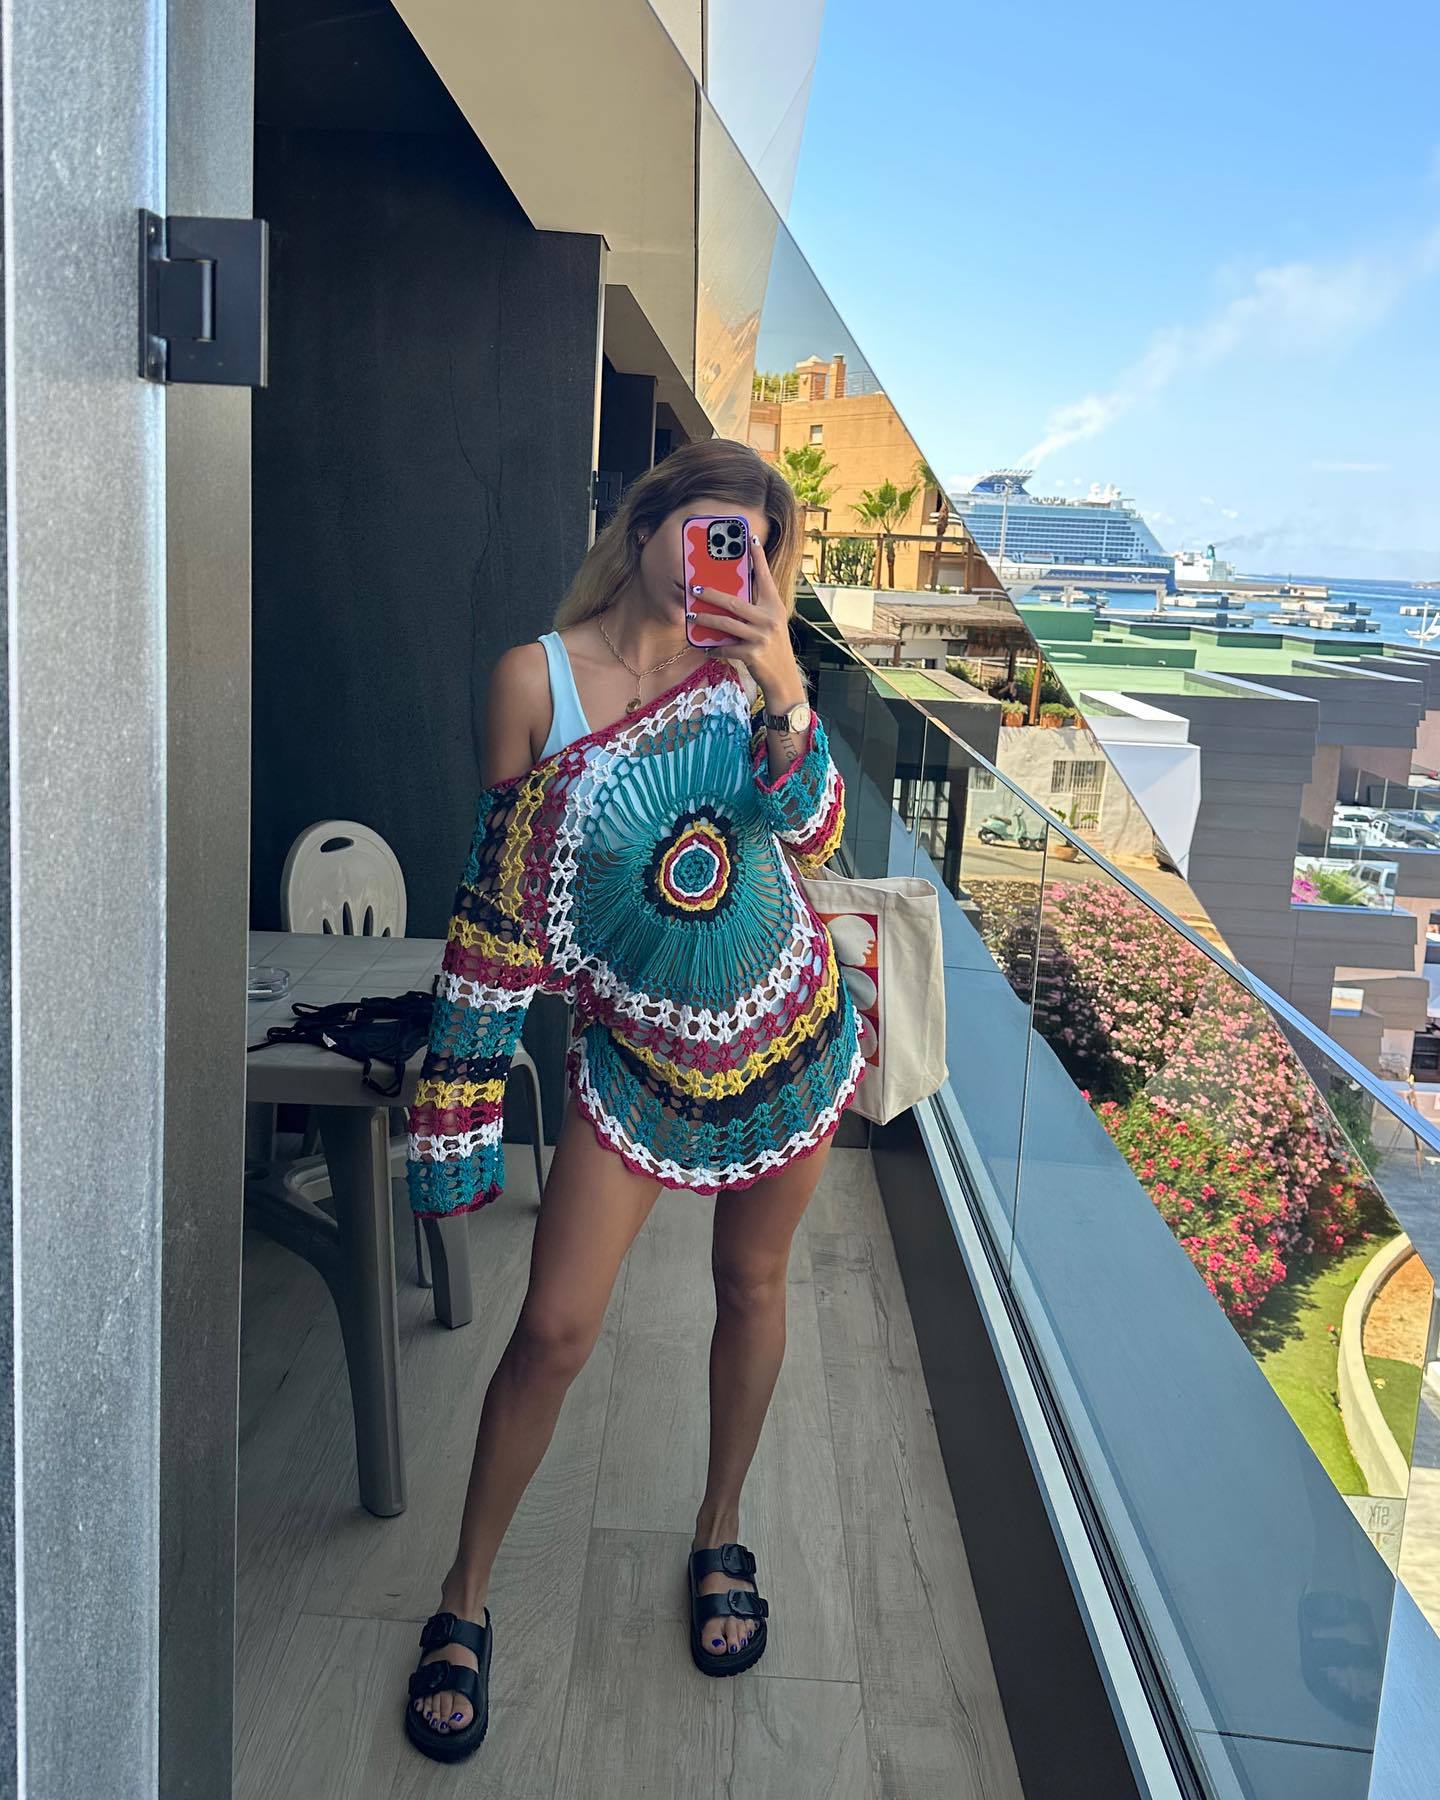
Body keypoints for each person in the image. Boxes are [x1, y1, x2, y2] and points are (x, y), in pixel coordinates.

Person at [400, 437, 864, 1762]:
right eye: (717, 531)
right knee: (552, 1330)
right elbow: (504, 900)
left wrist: (784, 685)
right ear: (650, 519)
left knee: (753, 1288)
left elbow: (817, 835)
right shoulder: (532, 681)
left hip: (785, 1027)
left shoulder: (747, 675)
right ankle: (464, 1595)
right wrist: (462, 1093)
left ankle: (720, 1529)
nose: (735, 561)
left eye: (759, 546)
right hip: (632, 1061)